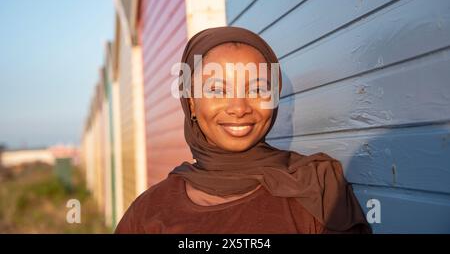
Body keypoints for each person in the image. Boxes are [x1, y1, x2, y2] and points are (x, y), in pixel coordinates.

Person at [115, 26, 371, 234]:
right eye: (217, 90)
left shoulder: (318, 187)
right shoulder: (149, 212)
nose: (239, 108)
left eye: (257, 89)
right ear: (191, 103)